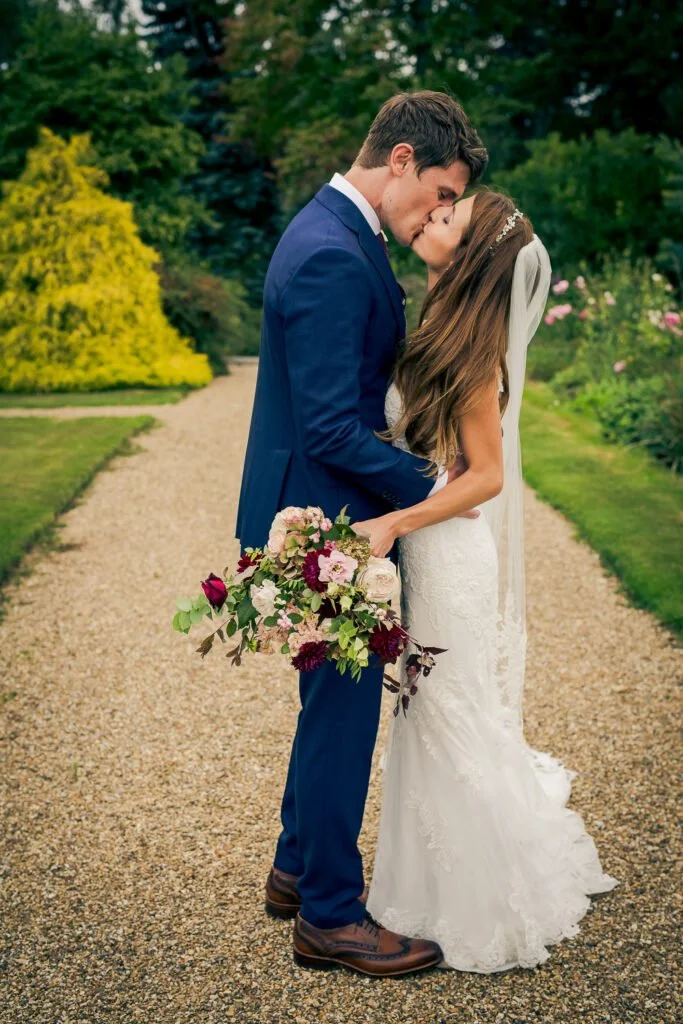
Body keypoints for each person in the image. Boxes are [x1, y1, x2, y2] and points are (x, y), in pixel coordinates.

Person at [235, 90, 487, 976]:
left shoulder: (336, 233)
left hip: (328, 510)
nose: (439, 215)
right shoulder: (331, 255)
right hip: (327, 522)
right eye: (439, 194)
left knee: (327, 712)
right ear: (403, 161)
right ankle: (331, 918)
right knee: (341, 721)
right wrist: (439, 489)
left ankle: (295, 869)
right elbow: (333, 430)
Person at [351, 189, 618, 973]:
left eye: (448, 218)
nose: (431, 218)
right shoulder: (437, 321)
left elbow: (490, 478)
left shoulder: (473, 352)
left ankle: (479, 896)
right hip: (430, 541)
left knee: (445, 706)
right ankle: (418, 884)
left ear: (469, 253)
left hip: (448, 551)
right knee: (425, 705)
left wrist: (395, 522)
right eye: (437, 210)